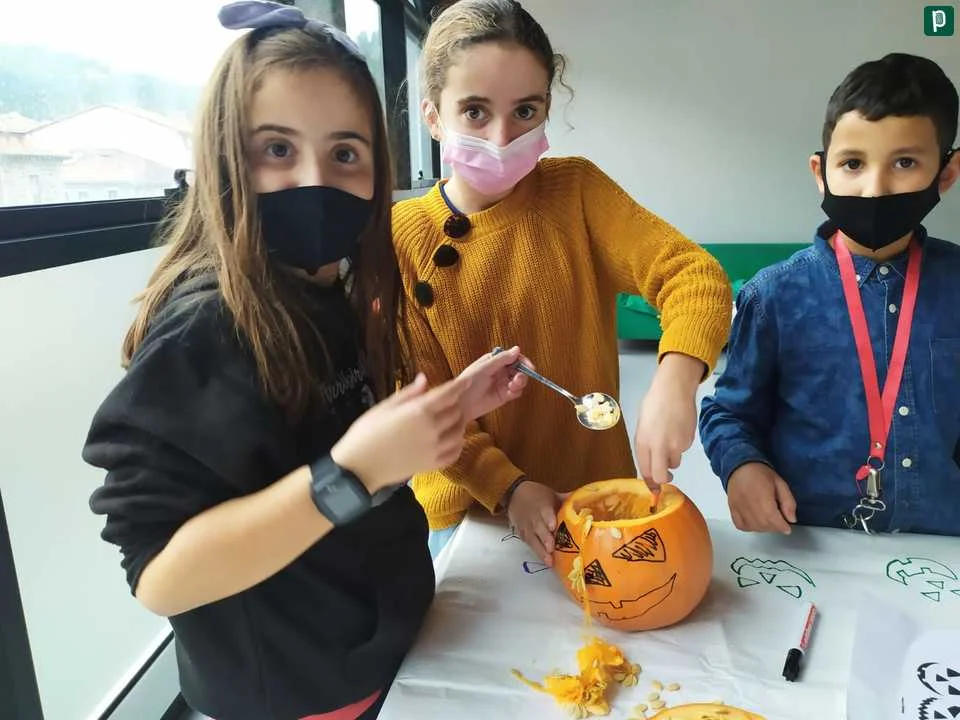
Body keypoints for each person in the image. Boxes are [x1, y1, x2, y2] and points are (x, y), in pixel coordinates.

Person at [81, 3, 530, 719]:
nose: (313, 180)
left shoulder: (328, 287)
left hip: (384, 657)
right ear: (225, 157)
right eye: (277, 150)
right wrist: (352, 475)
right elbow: (160, 576)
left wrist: (448, 411)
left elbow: (327, 437)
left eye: (345, 154)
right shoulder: (206, 328)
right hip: (298, 698)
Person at [392, 0, 733, 563]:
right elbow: (422, 403)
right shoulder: (404, 236)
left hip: (595, 501)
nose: (502, 136)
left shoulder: (575, 192)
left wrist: (676, 379)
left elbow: (692, 274)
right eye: (474, 111)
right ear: (433, 116)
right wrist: (510, 487)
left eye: (525, 111)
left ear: (547, 108)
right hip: (468, 517)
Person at [699, 52, 960, 537]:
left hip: (941, 544)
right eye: (853, 163)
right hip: (813, 542)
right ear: (821, 172)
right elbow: (729, 411)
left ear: (945, 173)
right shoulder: (774, 296)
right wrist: (742, 467)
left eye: (905, 162)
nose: (874, 189)